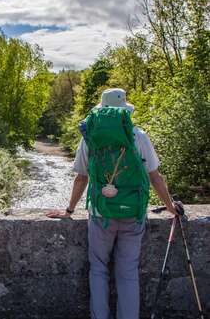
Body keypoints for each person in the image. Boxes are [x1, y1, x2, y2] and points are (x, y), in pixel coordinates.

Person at [46, 88, 182, 319]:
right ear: (125, 112)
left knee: (98, 268)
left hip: (101, 213)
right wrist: (169, 207)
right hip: (133, 212)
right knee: (128, 272)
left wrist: (69, 210)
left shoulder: (90, 138)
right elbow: (155, 177)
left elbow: (81, 178)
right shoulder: (139, 136)